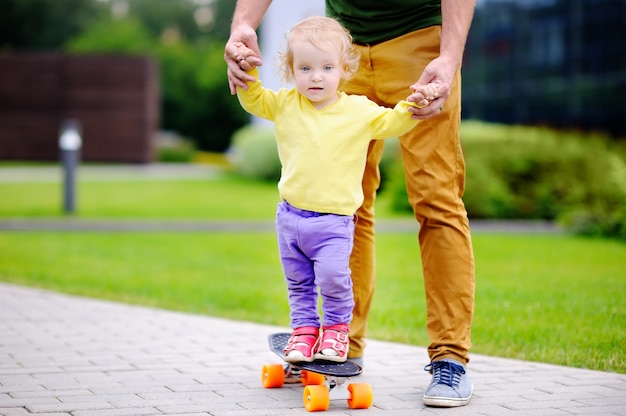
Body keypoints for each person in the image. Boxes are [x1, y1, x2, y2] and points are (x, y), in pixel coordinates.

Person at [225, 0, 476, 408]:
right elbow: (260, 97)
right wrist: (242, 26)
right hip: (338, 46)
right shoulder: (301, 89)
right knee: (339, 208)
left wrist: (448, 58)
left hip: (420, 43)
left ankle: (450, 358)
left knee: (437, 201)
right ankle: (340, 346)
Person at [232, 15, 437, 365]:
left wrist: (412, 106)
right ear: (291, 70)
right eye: (306, 68)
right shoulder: (285, 104)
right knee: (298, 284)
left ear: (344, 70)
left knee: (333, 279)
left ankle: (338, 331)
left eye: (327, 67)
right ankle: (303, 331)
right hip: (290, 219)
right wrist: (247, 74)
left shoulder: (358, 111)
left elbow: (391, 123)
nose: (316, 76)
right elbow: (254, 100)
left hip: (332, 224)